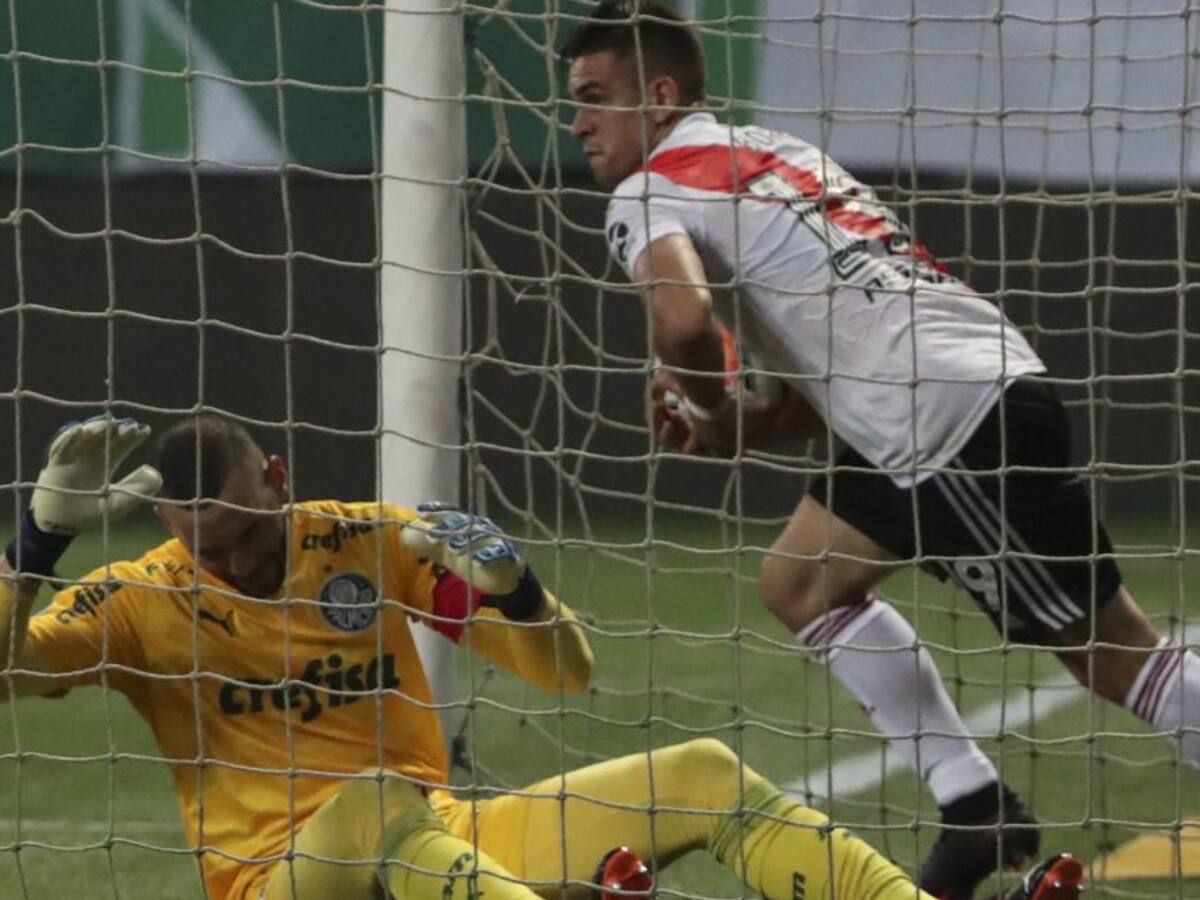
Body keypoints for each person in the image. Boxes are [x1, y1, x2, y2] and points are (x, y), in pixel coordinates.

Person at [562, 2, 1199, 898]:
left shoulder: (647, 192)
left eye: (595, 97)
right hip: (950, 394)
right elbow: (820, 382)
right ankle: (975, 806)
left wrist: (707, 407)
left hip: (945, 426)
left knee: (1113, 657)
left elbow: (684, 321)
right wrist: (742, 422)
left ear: (659, 97)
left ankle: (981, 805)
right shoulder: (777, 155)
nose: (578, 122)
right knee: (799, 582)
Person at [0, 415, 1084, 900]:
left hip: (434, 845)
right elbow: (11, 672)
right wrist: (36, 545)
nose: (231, 563)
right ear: (168, 527)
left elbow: (564, 670)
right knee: (376, 802)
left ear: (278, 480)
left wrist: (514, 588)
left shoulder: (372, 542)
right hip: (276, 881)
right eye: (207, 549)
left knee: (702, 773)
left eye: (243, 536)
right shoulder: (136, 599)